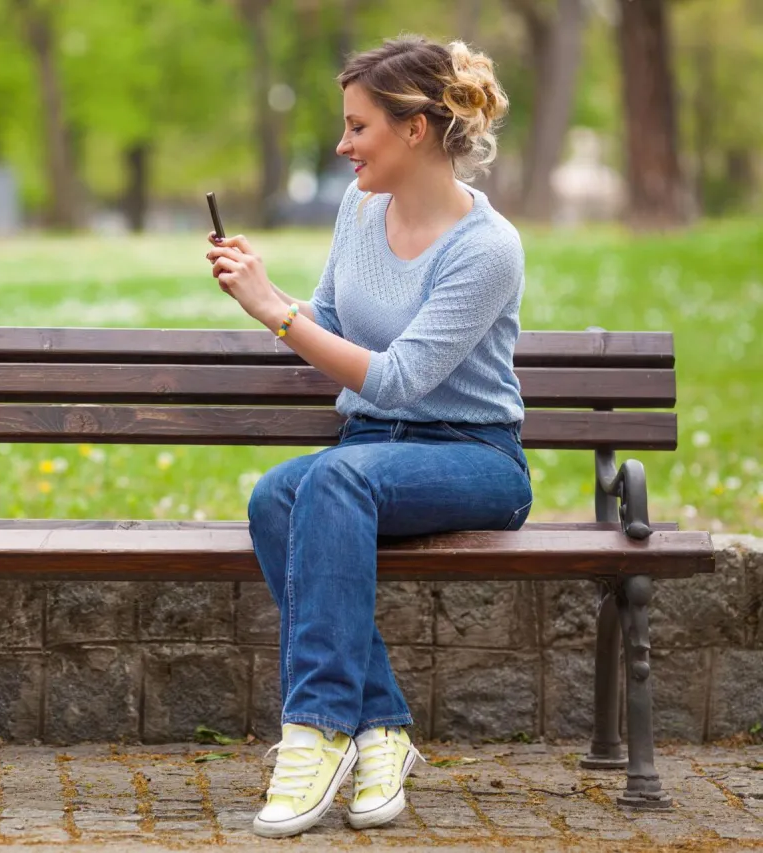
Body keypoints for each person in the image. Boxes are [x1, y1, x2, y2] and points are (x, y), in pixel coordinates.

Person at [206, 36, 530, 837]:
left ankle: (314, 733)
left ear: (415, 129)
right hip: (369, 454)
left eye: (358, 127)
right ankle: (381, 730)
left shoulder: (487, 248)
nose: (343, 145)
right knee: (277, 493)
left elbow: (391, 378)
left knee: (330, 479)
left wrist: (272, 316)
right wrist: (268, 287)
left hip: (472, 455)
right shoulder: (358, 211)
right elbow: (339, 325)